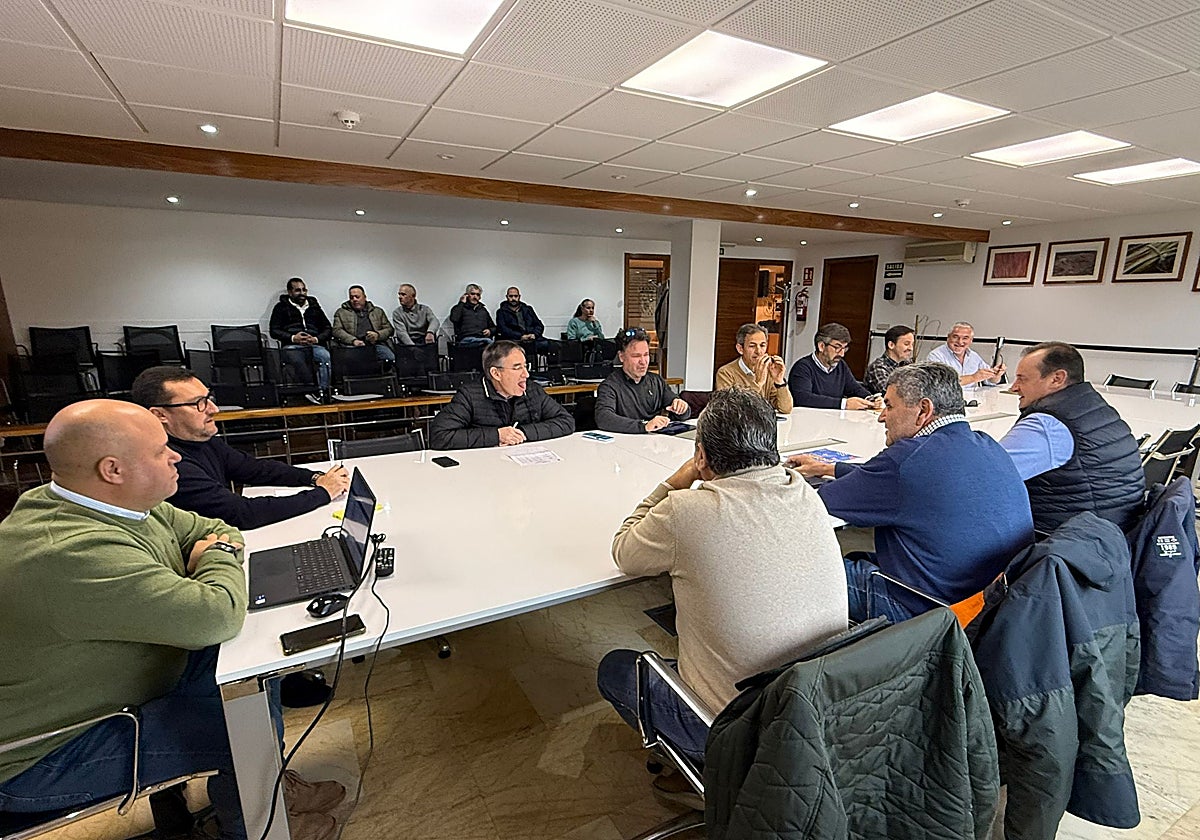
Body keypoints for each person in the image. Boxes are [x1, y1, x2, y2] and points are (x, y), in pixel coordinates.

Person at [0, 401, 343, 840]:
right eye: (162, 450)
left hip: (122, 684)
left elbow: (215, 527)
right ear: (113, 469)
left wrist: (211, 551)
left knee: (258, 675)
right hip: (45, 754)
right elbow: (214, 614)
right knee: (245, 726)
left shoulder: (117, 502)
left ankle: (269, 794)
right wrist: (217, 556)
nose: (176, 456)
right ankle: (259, 826)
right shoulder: (69, 552)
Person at [598, 388, 848, 770]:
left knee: (617, 667)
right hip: (821, 709)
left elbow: (624, 551)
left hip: (738, 729)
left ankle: (706, 766)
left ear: (702, 456)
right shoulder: (805, 493)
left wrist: (675, 481)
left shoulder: (686, 510)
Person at [789, 362, 1033, 623]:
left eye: (890, 406)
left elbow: (818, 502)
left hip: (929, 612)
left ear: (923, 410)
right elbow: (898, 480)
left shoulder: (905, 460)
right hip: (991, 605)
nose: (882, 416)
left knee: (801, 569)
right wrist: (831, 468)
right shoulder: (986, 444)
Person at [132, 367, 350, 531]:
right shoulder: (169, 463)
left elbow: (254, 468)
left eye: (208, 398)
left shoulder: (201, 439)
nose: (213, 409)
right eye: (198, 403)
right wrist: (322, 494)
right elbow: (241, 514)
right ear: (160, 414)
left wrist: (314, 478)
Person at [999, 341, 1144, 534]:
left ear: (1057, 379)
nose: (1014, 388)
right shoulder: (1095, 407)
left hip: (1063, 543)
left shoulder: (1047, 424)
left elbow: (984, 478)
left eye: (1022, 379)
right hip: (1114, 532)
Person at [429, 340, 574, 450]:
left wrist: (522, 433)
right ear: (496, 373)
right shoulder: (470, 396)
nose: (526, 374)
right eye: (517, 368)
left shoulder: (532, 390)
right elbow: (439, 436)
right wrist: (497, 436)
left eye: (526, 366)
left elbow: (566, 421)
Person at [595, 328, 690, 433]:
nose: (643, 362)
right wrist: (644, 426)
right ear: (621, 356)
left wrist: (682, 408)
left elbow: (680, 411)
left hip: (655, 443)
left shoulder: (656, 381)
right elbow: (603, 418)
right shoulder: (610, 386)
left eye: (646, 355)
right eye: (636, 356)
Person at [787, 323, 879, 410]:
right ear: (821, 346)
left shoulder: (841, 365)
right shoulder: (802, 367)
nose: (842, 354)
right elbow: (803, 399)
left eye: (844, 348)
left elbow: (854, 388)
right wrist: (843, 404)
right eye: (837, 347)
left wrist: (871, 399)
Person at [269, 277, 333, 402]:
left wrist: (316, 339)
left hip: (314, 344)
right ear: (290, 292)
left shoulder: (314, 306)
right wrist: (293, 338)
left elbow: (327, 328)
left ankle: (323, 392)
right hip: (292, 345)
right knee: (297, 357)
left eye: (304, 290)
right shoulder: (280, 307)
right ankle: (310, 390)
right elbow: (274, 331)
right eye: (298, 290)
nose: (302, 293)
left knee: (324, 356)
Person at [713, 323, 793, 413]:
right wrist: (758, 384)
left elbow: (786, 409)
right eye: (752, 346)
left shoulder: (770, 370)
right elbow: (732, 411)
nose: (758, 351)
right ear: (740, 349)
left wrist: (779, 381)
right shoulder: (725, 373)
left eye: (762, 345)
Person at [926, 322, 1005, 388]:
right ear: (948, 338)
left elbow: (990, 381)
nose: (960, 342)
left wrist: (996, 374)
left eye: (965, 338)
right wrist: (973, 378)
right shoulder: (936, 356)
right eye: (955, 337)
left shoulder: (974, 356)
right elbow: (940, 383)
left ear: (971, 341)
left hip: (972, 401)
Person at [331, 285, 395, 365]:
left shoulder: (377, 311)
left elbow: (389, 329)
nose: (354, 299)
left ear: (364, 297)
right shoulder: (341, 312)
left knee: (389, 358)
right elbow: (336, 330)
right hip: (352, 346)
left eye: (357, 297)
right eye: (351, 297)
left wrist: (377, 335)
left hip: (375, 345)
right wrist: (353, 340)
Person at [495, 287, 550, 356]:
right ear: (507, 297)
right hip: (514, 340)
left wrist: (534, 334)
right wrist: (520, 336)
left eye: (515, 296)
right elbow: (503, 329)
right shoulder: (501, 312)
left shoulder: (528, 309)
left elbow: (539, 325)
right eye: (511, 296)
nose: (513, 298)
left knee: (553, 345)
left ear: (519, 297)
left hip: (532, 339)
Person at [863, 324, 914, 395]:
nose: (911, 348)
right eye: (906, 344)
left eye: (912, 344)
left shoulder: (908, 365)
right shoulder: (878, 367)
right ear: (891, 345)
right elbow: (890, 394)